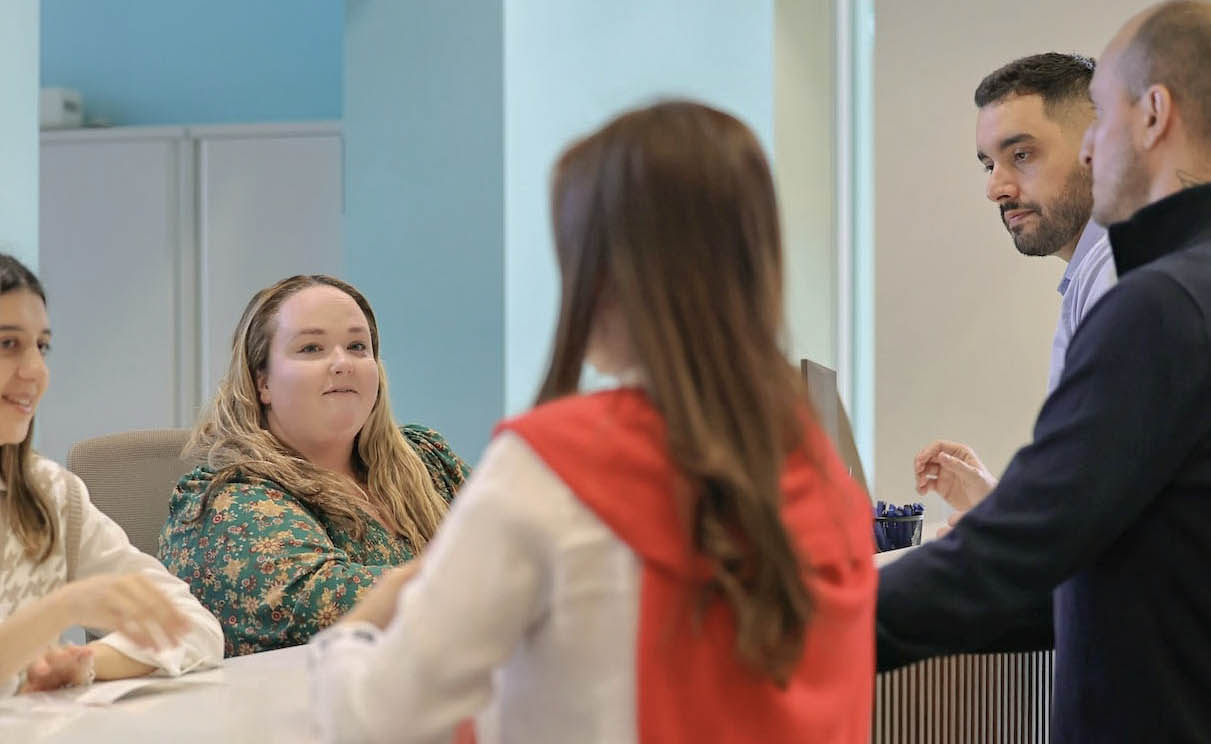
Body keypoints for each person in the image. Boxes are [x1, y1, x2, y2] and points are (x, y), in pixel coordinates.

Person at [306, 101, 877, 743]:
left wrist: (352, 634)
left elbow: (378, 722)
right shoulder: (821, 472)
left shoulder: (553, 466)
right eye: (310, 348)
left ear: (601, 273)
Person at [877, 3, 1211, 742]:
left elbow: (1029, 554)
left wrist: (801, 623)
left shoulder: (1159, 302)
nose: (1093, 147)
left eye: (1099, 115)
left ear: (1154, 113)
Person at [0, 246, 222, 712]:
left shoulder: (49, 492)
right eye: (8, 344)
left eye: (41, 346)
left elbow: (193, 626)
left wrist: (86, 661)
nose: (36, 372)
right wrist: (61, 611)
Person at [158, 275, 469, 657]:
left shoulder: (427, 461)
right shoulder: (225, 504)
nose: (342, 363)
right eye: (311, 348)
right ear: (263, 383)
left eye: (358, 346)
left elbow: (520, 543)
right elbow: (330, 605)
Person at [914, 53, 1118, 523]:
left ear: (1098, 148)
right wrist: (993, 506)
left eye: (1021, 155)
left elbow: (1101, 519)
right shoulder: (1093, 273)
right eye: (990, 164)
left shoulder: (1119, 275)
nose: (996, 189)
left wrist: (989, 540)